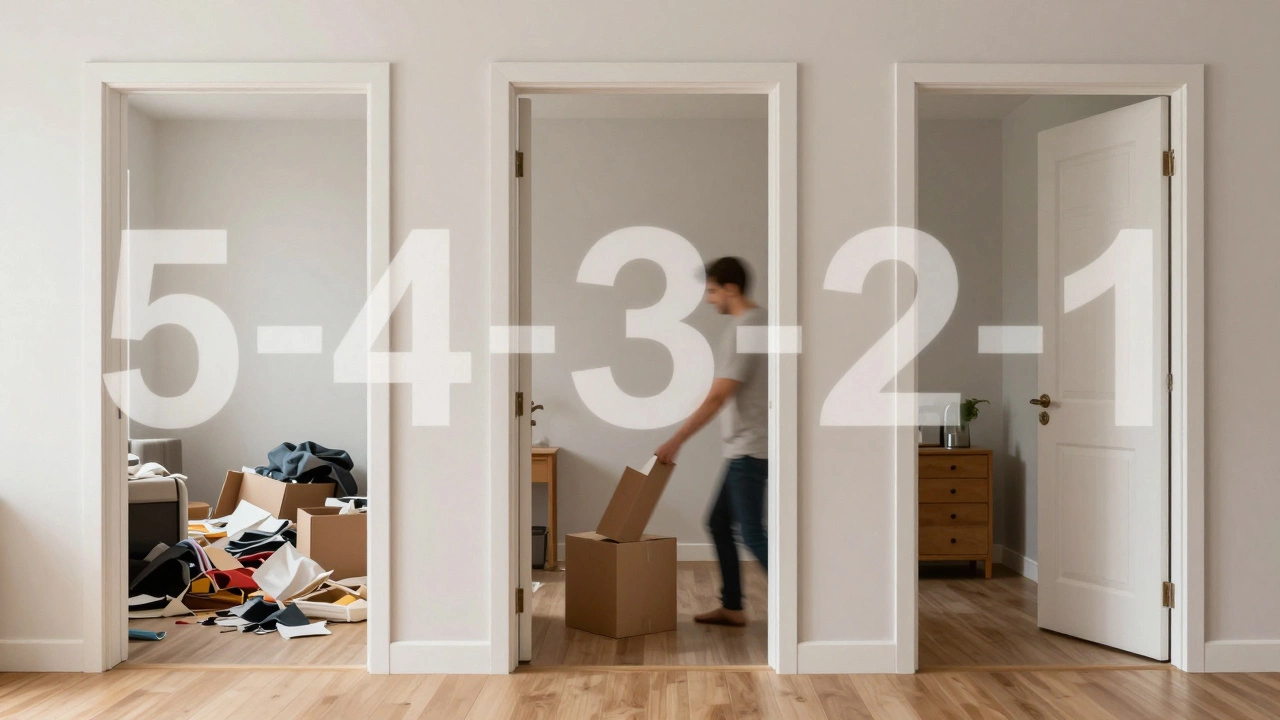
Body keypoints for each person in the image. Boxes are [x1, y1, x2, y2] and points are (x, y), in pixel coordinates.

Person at [655, 256, 767, 627]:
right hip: (748, 444)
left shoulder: (746, 327)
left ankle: (806, 608)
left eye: (713, 290)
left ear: (731, 289)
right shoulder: (760, 322)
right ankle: (732, 606)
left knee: (751, 532)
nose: (709, 299)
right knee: (719, 523)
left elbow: (720, 396)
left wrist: (677, 440)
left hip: (751, 446)